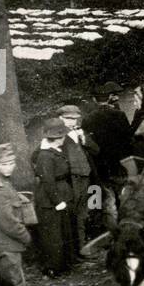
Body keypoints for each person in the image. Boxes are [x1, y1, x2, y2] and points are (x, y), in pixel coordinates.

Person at [0, 142, 34, 286]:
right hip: (5, 245)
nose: (9, 167)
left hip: (6, 244)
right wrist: (25, 236)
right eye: (4, 164)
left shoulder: (3, 181)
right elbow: (7, 221)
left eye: (11, 163)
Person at [31, 118, 77, 276]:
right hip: (50, 201)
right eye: (61, 136)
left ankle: (64, 264)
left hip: (61, 194)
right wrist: (57, 201)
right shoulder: (45, 156)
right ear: (56, 138)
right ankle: (53, 268)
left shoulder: (54, 151)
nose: (63, 139)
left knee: (63, 232)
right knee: (53, 235)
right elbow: (48, 181)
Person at [59, 104, 95, 254]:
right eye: (68, 118)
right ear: (60, 118)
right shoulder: (56, 135)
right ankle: (78, 249)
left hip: (85, 177)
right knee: (74, 214)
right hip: (71, 180)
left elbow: (96, 150)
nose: (72, 122)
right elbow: (38, 155)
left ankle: (82, 246)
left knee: (84, 212)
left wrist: (84, 139)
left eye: (74, 119)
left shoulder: (80, 132)